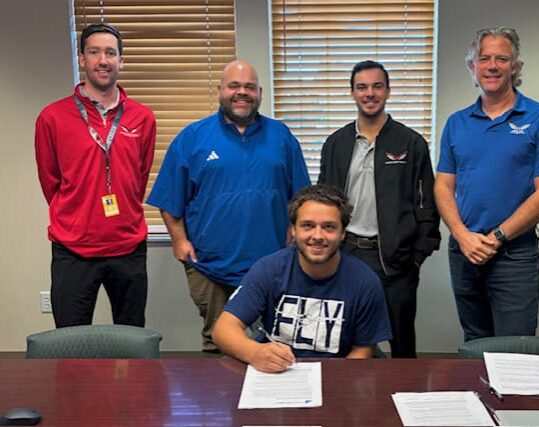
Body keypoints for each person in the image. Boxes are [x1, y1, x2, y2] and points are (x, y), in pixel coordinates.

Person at [147, 60, 310, 352]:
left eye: (249, 86)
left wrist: (294, 234)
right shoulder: (193, 138)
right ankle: (220, 398)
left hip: (271, 266)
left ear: (259, 92)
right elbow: (170, 197)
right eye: (234, 85)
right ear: (220, 90)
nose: (242, 92)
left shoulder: (281, 137)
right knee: (218, 341)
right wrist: (179, 240)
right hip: (209, 267)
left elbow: (302, 198)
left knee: (277, 342)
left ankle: (269, 399)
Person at [434, 27, 539, 341]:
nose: (492, 66)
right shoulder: (456, 123)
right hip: (464, 250)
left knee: (514, 347)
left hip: (513, 255)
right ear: (472, 66)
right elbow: (443, 187)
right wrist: (462, 235)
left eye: (501, 59)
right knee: (475, 342)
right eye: (484, 58)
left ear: (515, 66)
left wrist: (496, 237)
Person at [35, 23, 156, 328]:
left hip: (127, 246)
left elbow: (138, 178)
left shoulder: (143, 117)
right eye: (94, 52)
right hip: (73, 247)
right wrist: (79, 211)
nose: (103, 60)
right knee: (71, 344)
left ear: (121, 61)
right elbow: (50, 182)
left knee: (131, 339)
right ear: (81, 59)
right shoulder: (52, 117)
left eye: (111, 53)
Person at [318, 60, 440, 358]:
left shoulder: (410, 143)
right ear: (352, 93)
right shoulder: (336, 143)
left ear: (387, 91)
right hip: (345, 254)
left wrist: (418, 256)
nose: (369, 93)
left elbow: (428, 203)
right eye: (362, 87)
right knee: (342, 337)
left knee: (400, 342)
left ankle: (405, 398)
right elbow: (322, 200)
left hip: (394, 260)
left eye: (377, 86)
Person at [213, 184, 392, 372]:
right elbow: (223, 330)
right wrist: (254, 352)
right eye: (307, 226)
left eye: (329, 227)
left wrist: (335, 385)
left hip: (337, 375)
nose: (317, 236)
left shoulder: (365, 282)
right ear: (293, 230)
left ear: (342, 234)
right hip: (276, 373)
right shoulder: (268, 269)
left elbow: (362, 351)